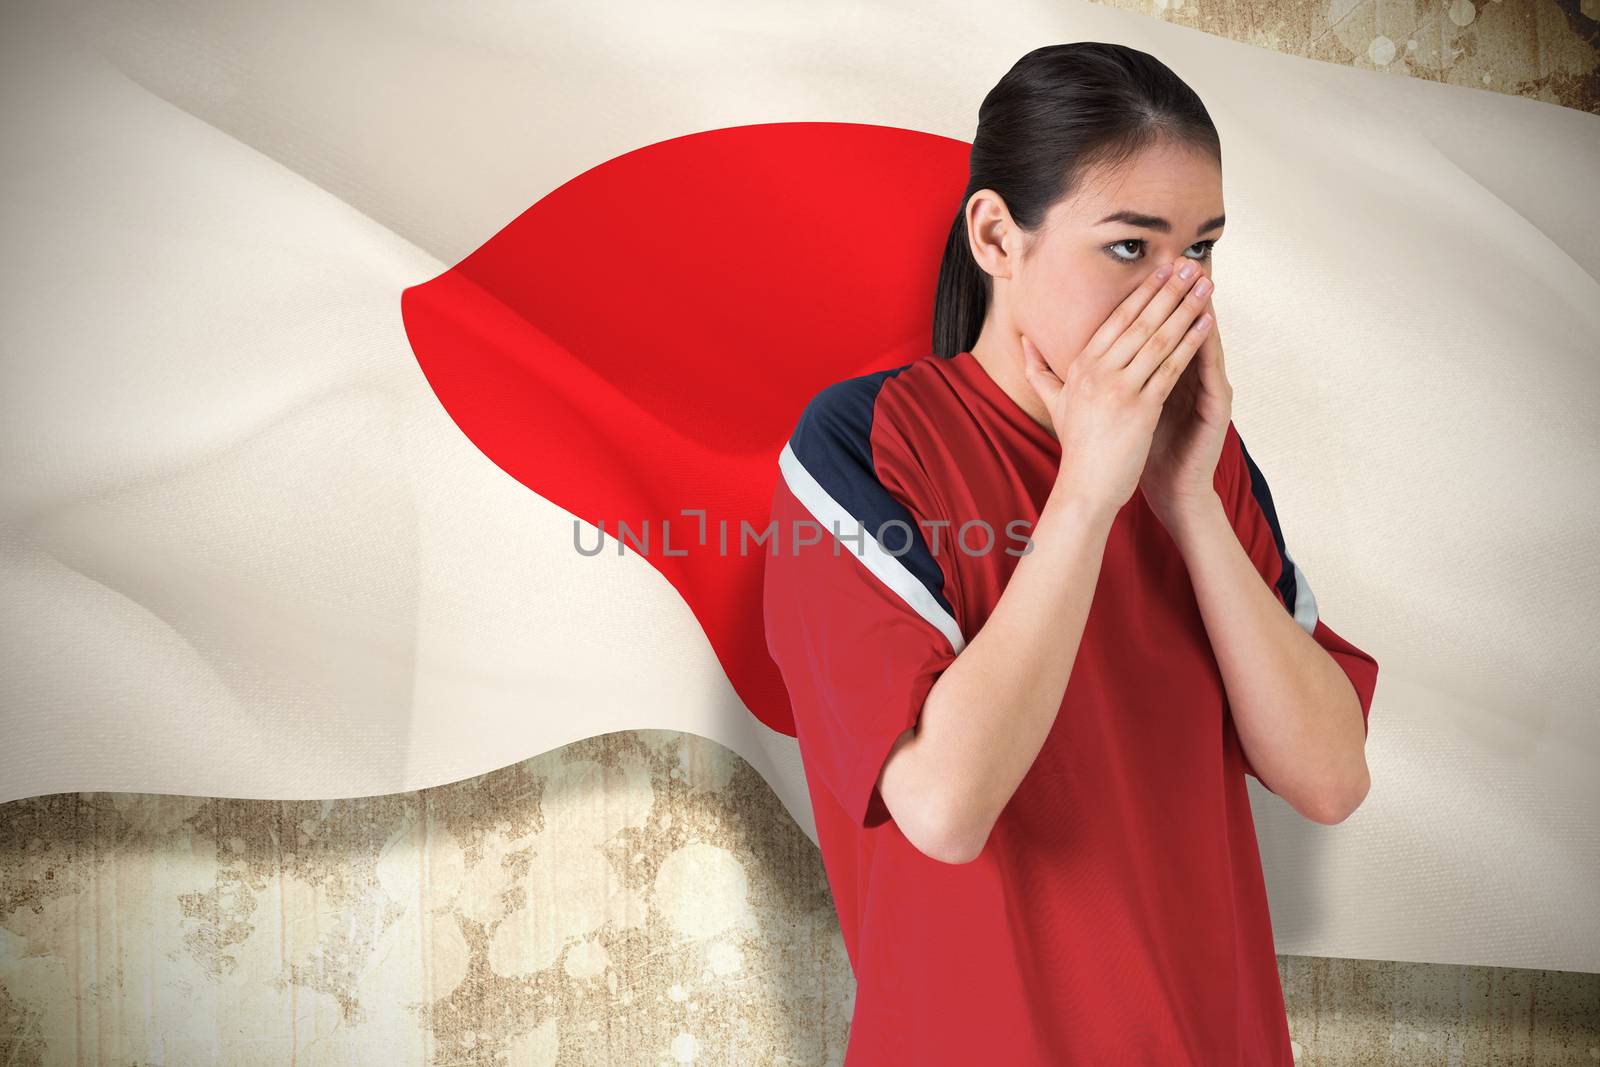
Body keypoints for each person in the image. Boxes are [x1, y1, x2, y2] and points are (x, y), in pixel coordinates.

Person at [761, 42, 1380, 1066]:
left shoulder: (1204, 463)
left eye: (1201, 251)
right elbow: (946, 806)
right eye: (1130, 248)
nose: (1175, 295)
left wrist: (1183, 495)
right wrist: (1088, 491)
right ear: (998, 234)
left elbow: (1328, 779)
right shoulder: (864, 442)